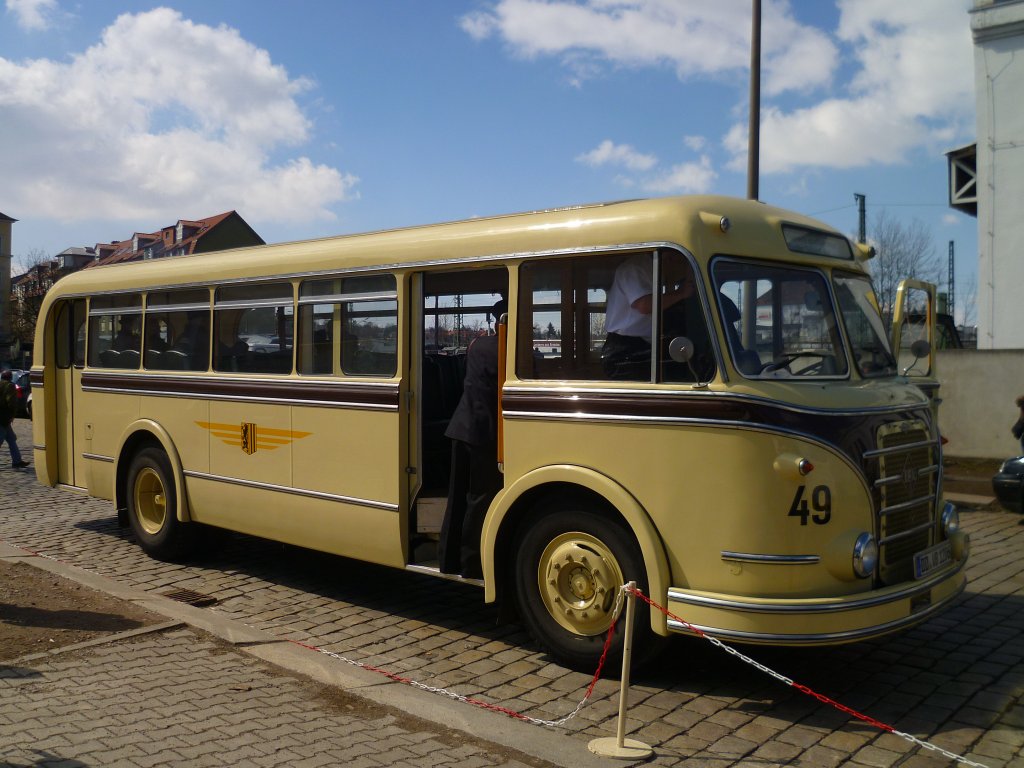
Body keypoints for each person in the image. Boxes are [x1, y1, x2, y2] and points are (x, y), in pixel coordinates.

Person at [439, 298, 506, 578]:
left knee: (457, 498)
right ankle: (472, 564)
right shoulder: (506, 350)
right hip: (484, 434)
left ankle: (448, 559)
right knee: (480, 498)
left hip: (461, 427)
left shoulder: (478, 345)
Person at [602, 251, 699, 379]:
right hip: (625, 350)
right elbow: (644, 305)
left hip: (642, 345)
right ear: (669, 256)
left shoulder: (652, 270)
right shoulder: (635, 267)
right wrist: (681, 293)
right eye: (680, 262)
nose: (680, 268)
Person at [0, 370, 29, 469]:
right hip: (4, 417)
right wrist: (12, 415)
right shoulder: (10, 386)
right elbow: (11, 402)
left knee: (11, 439)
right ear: (10, 377)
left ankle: (17, 461)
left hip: (2, 418)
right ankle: (17, 462)